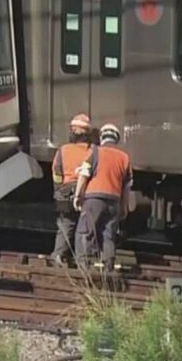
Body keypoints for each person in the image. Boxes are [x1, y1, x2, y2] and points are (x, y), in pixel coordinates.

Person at [73, 123, 131, 271]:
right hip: (114, 201)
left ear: (102, 137)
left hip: (94, 198)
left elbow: (84, 174)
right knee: (108, 234)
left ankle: (84, 266)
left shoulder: (95, 152)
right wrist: (124, 207)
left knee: (85, 231)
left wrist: (78, 195)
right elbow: (126, 187)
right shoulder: (124, 158)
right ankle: (108, 267)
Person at [49, 113, 94, 266]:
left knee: (66, 224)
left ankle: (58, 255)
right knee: (84, 226)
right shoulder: (93, 151)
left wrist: (59, 189)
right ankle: (83, 260)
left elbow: (56, 171)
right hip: (86, 191)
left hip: (65, 191)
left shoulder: (63, 150)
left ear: (72, 131)